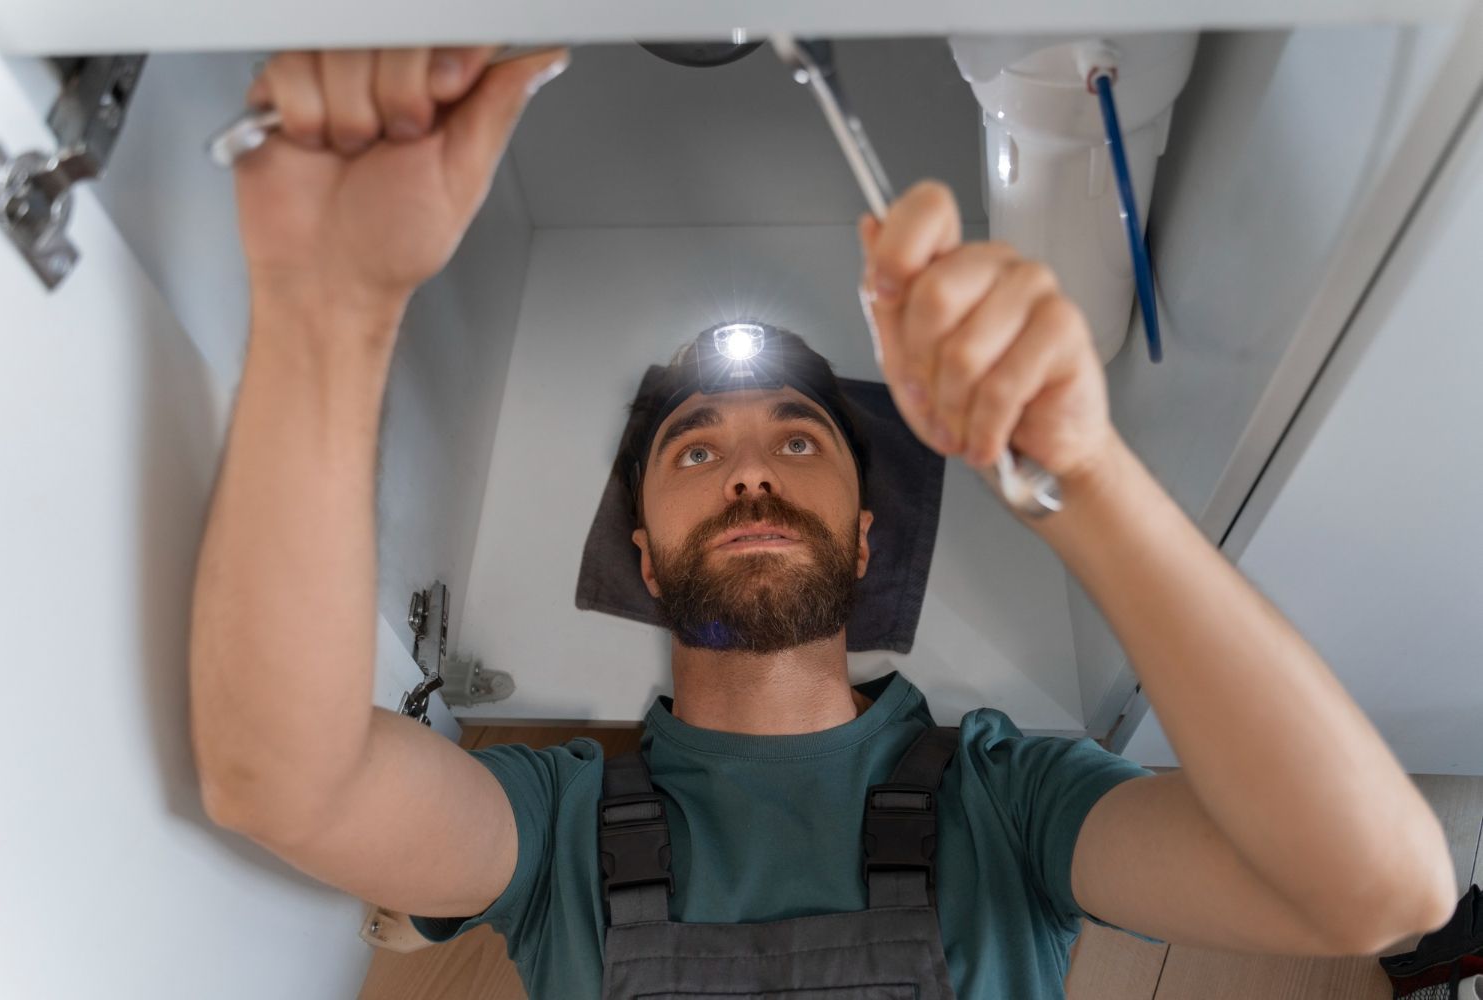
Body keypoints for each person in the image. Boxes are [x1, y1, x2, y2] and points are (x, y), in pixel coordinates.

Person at [188, 44, 1459, 999]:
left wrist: (1086, 478)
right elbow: (285, 782)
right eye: (697, 448)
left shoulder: (1007, 804)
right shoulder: (553, 824)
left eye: (798, 440)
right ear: (644, 557)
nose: (750, 473)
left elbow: (1376, 890)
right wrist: (328, 305)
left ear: (862, 541)